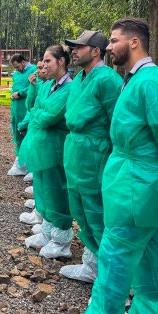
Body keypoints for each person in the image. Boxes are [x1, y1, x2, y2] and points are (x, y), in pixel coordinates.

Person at [56, 18, 158, 314]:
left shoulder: (151, 81)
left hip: (138, 183)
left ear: (134, 42)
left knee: (115, 253)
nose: (110, 46)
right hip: (136, 180)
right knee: (148, 251)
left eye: (114, 40)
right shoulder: (135, 79)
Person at [58, 30, 122, 284]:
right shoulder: (80, 79)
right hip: (76, 153)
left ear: (96, 51)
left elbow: (118, 122)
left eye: (80, 47)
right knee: (81, 212)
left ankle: (113, 276)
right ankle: (92, 264)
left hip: (95, 155)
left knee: (97, 213)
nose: (73, 51)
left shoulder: (107, 80)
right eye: (73, 47)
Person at [16, 46, 75, 259]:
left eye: (48, 61)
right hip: (42, 147)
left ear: (61, 61)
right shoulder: (50, 85)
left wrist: (39, 114)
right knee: (43, 189)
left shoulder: (69, 88)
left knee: (56, 191)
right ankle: (48, 232)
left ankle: (61, 241)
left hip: (56, 148)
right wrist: (39, 113)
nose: (43, 65)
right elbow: (36, 108)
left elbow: (48, 115)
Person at [7, 54, 37, 176]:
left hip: (26, 107)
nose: (16, 69)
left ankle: (31, 165)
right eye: (14, 67)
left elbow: (33, 87)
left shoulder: (33, 70)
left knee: (27, 134)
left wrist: (19, 93)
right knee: (18, 133)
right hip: (16, 108)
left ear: (24, 62)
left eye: (17, 66)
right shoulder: (17, 74)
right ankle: (21, 163)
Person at [21, 60, 46, 183]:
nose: (37, 71)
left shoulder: (52, 85)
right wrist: (33, 85)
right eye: (38, 67)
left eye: (41, 67)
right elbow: (30, 105)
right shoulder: (38, 84)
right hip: (35, 122)